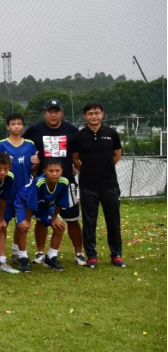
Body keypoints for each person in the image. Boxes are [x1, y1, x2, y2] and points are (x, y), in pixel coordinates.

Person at [23, 99, 85, 265]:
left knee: (72, 219)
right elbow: (24, 148)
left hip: (67, 182)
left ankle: (79, 253)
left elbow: (79, 151)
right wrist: (32, 166)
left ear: (61, 113)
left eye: (56, 111)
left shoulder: (71, 130)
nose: (53, 114)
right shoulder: (34, 130)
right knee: (41, 219)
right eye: (50, 111)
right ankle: (40, 253)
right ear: (45, 113)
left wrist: (77, 166)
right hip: (42, 183)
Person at [72, 102, 125, 268]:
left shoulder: (111, 133)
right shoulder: (79, 136)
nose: (94, 116)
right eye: (90, 113)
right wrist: (87, 169)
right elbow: (75, 158)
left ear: (102, 114)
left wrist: (105, 167)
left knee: (113, 221)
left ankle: (116, 255)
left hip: (109, 184)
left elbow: (117, 155)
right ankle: (91, 256)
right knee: (89, 222)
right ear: (85, 116)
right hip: (88, 185)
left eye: (96, 113)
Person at [0, 113, 39, 263]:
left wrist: (37, 163)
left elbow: (33, 168)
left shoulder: (29, 144)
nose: (16, 126)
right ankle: (1, 256)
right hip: (6, 192)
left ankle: (17, 252)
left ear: (23, 126)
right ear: (7, 126)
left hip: (23, 192)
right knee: (1, 224)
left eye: (19, 123)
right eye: (13, 124)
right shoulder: (1, 145)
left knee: (21, 224)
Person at [13, 158, 72, 272]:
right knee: (23, 227)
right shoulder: (39, 182)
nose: (54, 174)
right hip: (24, 202)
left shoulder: (64, 182)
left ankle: (51, 257)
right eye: (51, 171)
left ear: (62, 171)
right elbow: (31, 202)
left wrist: (54, 218)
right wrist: (27, 220)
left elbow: (61, 202)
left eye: (57, 170)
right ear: (44, 171)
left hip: (44, 204)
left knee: (60, 226)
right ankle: (23, 258)